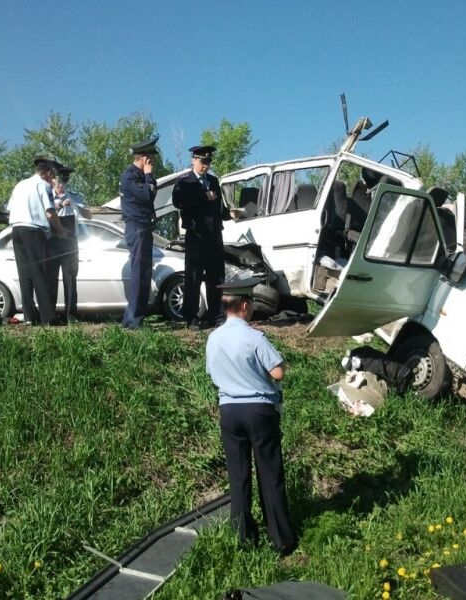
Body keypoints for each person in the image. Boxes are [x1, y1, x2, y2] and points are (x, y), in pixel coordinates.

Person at [205, 276, 298, 556]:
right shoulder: (254, 337)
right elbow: (277, 372)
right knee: (269, 473)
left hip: (229, 410)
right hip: (258, 409)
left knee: (238, 475)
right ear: (245, 306)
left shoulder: (213, 338)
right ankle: (281, 538)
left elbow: (211, 373)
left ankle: (243, 537)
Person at [172, 145, 232, 330]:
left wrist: (231, 214)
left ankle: (217, 315)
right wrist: (202, 196)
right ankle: (191, 317)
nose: (206, 165)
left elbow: (218, 208)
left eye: (208, 162)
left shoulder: (213, 181)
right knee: (194, 277)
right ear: (194, 160)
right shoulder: (185, 182)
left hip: (214, 234)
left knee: (217, 277)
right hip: (196, 235)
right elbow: (178, 202)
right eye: (203, 162)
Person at [7, 157, 68, 325]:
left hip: (16, 229)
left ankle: (30, 316)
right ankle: (48, 318)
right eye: (52, 176)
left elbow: (9, 208)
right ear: (47, 173)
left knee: (24, 274)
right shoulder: (42, 185)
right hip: (33, 230)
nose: (52, 180)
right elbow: (50, 213)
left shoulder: (20, 185)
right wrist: (60, 230)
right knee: (40, 274)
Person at [119, 135, 159, 329]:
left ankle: (136, 318)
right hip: (137, 227)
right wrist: (149, 175)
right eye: (151, 158)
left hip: (143, 227)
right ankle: (133, 320)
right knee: (139, 273)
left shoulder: (138, 176)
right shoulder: (130, 176)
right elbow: (148, 195)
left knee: (144, 273)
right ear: (144, 158)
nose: (153, 162)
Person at [46, 166, 91, 324]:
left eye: (64, 181)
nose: (61, 185)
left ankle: (71, 315)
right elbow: (44, 216)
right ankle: (50, 315)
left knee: (70, 278)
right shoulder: (47, 197)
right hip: (53, 241)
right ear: (52, 181)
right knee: (51, 278)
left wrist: (77, 206)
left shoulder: (75, 197)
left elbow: (89, 216)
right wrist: (58, 206)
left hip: (70, 242)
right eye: (58, 181)